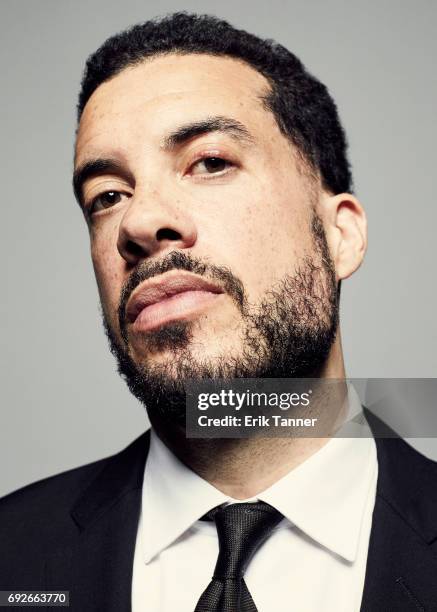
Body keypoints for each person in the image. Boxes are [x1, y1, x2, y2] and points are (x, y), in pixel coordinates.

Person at [1, 12, 436, 612]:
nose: (139, 222)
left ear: (341, 237)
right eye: (107, 196)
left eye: (210, 163)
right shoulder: (13, 555)